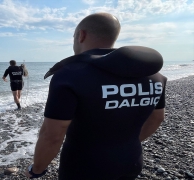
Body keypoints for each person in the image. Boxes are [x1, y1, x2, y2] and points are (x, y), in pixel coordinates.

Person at [25, 13, 167, 179]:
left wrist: (37, 169)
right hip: (130, 161)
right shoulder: (154, 76)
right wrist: (124, 146)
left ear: (81, 35)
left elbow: (52, 135)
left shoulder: (70, 75)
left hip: (82, 168)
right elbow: (157, 118)